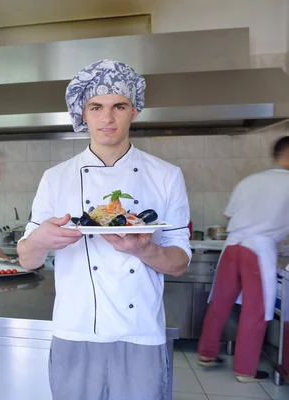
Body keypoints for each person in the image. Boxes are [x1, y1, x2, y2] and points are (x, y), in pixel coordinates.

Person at [17, 59, 191, 400]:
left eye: (119, 106)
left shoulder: (167, 176)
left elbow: (180, 262)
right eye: (96, 107)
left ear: (135, 111)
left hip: (140, 332)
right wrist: (40, 239)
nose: (107, 118)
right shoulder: (56, 178)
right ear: (83, 113)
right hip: (75, 330)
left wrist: (143, 249)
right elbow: (27, 260)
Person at [197, 136, 289, 383]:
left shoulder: (251, 181)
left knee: (220, 302)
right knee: (255, 311)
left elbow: (229, 216)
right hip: (257, 251)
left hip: (232, 246)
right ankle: (245, 370)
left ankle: (206, 354)